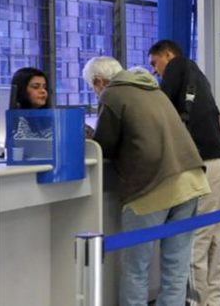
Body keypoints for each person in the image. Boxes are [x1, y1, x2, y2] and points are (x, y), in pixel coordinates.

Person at [82, 57, 210, 306]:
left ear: (98, 82)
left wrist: (90, 138)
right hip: (189, 179)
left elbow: (104, 146)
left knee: (136, 267)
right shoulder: (153, 90)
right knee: (176, 265)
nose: (95, 92)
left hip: (151, 185)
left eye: (92, 87)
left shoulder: (112, 94)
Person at [148, 40, 220, 306]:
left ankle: (196, 301)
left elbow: (163, 108)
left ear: (167, 54)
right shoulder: (197, 74)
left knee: (197, 237)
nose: (155, 71)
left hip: (202, 163)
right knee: (217, 236)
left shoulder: (177, 66)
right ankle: (214, 299)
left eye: (155, 63)